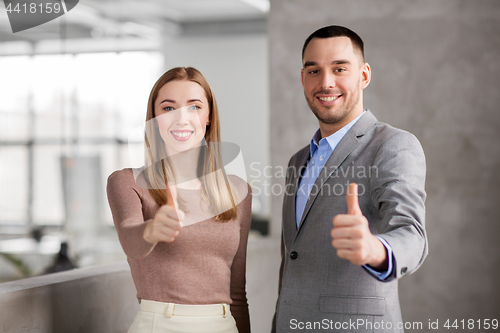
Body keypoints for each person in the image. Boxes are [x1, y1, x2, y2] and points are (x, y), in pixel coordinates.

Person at [272, 26, 427, 332]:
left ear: (364, 75)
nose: (325, 82)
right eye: (314, 70)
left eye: (339, 68)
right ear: (303, 79)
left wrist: (375, 249)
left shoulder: (392, 144)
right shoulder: (298, 161)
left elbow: (411, 232)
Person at [107, 67, 251, 333]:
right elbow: (130, 240)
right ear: (154, 119)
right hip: (160, 325)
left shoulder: (237, 190)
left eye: (194, 107)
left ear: (208, 117)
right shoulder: (128, 181)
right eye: (169, 108)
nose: (182, 119)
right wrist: (150, 230)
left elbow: (237, 292)